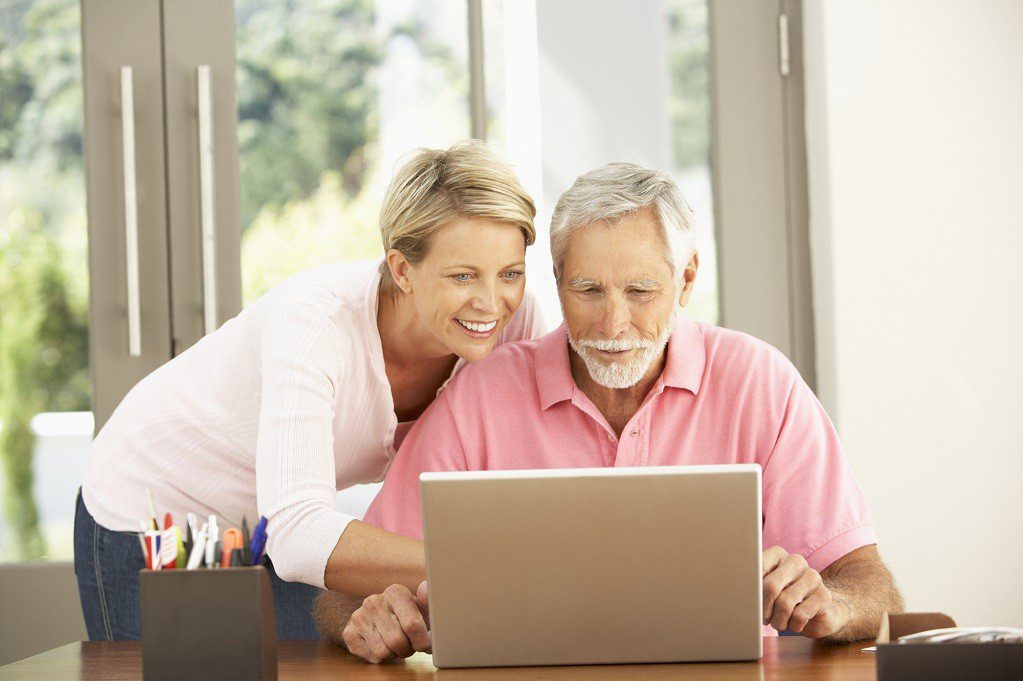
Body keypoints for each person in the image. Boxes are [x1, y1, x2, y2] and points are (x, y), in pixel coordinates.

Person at [314, 162, 905, 662]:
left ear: (686, 280)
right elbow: (339, 596)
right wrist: (366, 619)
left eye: (641, 291)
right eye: (588, 290)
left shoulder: (760, 382)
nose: (613, 324)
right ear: (557, 282)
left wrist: (834, 604)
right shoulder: (479, 397)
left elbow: (871, 584)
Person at [75, 140, 546, 641]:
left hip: (273, 524)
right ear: (402, 269)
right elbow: (298, 535)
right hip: (160, 514)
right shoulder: (315, 325)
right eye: (463, 276)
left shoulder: (512, 324)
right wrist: (483, 566)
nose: (491, 302)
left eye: (510, 273)